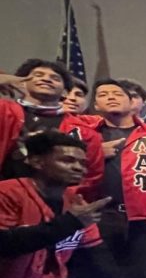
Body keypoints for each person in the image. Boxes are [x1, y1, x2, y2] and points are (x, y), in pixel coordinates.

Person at [0, 131, 128, 278]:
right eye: (68, 161)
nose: (78, 168)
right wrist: (71, 222)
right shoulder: (7, 193)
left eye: (82, 163)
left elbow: (94, 247)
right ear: (36, 162)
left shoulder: (74, 199)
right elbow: (5, 244)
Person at [73, 78, 146, 278]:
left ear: (132, 101)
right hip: (100, 217)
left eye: (117, 93)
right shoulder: (85, 134)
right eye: (103, 94)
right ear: (95, 104)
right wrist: (93, 152)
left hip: (145, 219)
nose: (111, 97)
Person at [0, 60, 103, 195]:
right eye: (38, 75)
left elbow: (91, 176)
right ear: (22, 83)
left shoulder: (84, 132)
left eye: (55, 78)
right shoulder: (3, 110)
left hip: (55, 204)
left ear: (65, 92)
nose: (46, 79)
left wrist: (68, 200)